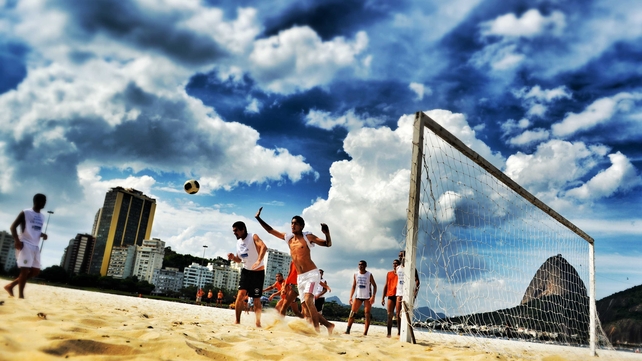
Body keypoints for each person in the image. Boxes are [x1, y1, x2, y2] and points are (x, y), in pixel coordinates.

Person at [255, 207, 334, 334]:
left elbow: (327, 244)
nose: (293, 225)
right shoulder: (289, 238)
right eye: (292, 223)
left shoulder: (308, 236)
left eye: (296, 223)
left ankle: (317, 331)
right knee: (306, 310)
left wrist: (327, 233)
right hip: (300, 278)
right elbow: (270, 231)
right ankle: (329, 326)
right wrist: (258, 218)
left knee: (308, 300)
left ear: (302, 226)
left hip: (312, 274)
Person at [4, 194, 48, 299]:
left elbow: (35, 229)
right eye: (44, 201)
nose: (45, 203)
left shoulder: (42, 216)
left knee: (35, 271)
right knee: (25, 270)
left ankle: (11, 286)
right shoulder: (26, 212)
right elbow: (13, 227)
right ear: (39, 201)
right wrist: (17, 240)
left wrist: (42, 235)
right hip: (25, 243)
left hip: (35, 246)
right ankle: (21, 296)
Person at [227, 221, 267, 327]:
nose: (234, 233)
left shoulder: (253, 237)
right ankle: (237, 321)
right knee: (240, 295)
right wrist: (232, 257)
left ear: (242, 230)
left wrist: (259, 260)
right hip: (246, 272)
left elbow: (264, 247)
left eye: (236, 231)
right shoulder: (238, 243)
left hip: (258, 272)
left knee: (256, 299)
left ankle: (258, 323)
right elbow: (239, 260)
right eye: (233, 231)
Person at [345, 260, 377, 335]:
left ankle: (365, 332)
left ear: (365, 266)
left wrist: (373, 296)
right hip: (358, 296)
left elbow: (374, 286)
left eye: (362, 265)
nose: (360, 266)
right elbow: (353, 286)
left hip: (367, 297)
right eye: (359, 265)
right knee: (352, 313)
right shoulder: (356, 274)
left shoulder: (369, 274)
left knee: (367, 314)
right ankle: (348, 330)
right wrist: (350, 297)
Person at [395, 250, 420, 336]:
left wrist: (415, 291)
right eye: (399, 255)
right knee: (398, 313)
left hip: (408, 292)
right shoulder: (398, 268)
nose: (400, 257)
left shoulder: (411, 267)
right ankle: (399, 331)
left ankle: (408, 331)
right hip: (399, 292)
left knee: (407, 312)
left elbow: (417, 280)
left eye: (401, 255)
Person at [381, 259, 400, 337]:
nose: (395, 265)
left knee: (398, 315)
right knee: (389, 314)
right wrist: (383, 297)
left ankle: (399, 332)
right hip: (391, 294)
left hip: (399, 294)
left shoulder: (401, 273)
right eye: (394, 263)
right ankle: (389, 333)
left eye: (396, 264)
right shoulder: (389, 273)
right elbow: (386, 285)